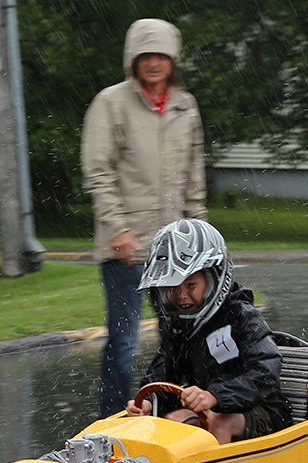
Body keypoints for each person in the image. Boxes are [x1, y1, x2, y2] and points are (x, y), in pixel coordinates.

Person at [81, 18, 207, 418]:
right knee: (124, 342)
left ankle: (173, 419)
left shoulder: (186, 105)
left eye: (161, 56)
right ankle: (111, 421)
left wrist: (201, 231)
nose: (153, 63)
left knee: (181, 338)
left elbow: (193, 174)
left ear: (172, 60)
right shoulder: (111, 102)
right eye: (145, 56)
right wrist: (118, 229)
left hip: (174, 249)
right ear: (133, 60)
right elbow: (98, 170)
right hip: (127, 250)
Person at [125, 219, 292, 444]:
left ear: (213, 278)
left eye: (190, 285)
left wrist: (215, 395)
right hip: (205, 407)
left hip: (261, 410)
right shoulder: (179, 325)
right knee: (169, 420)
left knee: (216, 423)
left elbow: (265, 370)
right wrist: (148, 401)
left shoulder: (241, 316)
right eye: (172, 288)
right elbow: (163, 370)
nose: (181, 295)